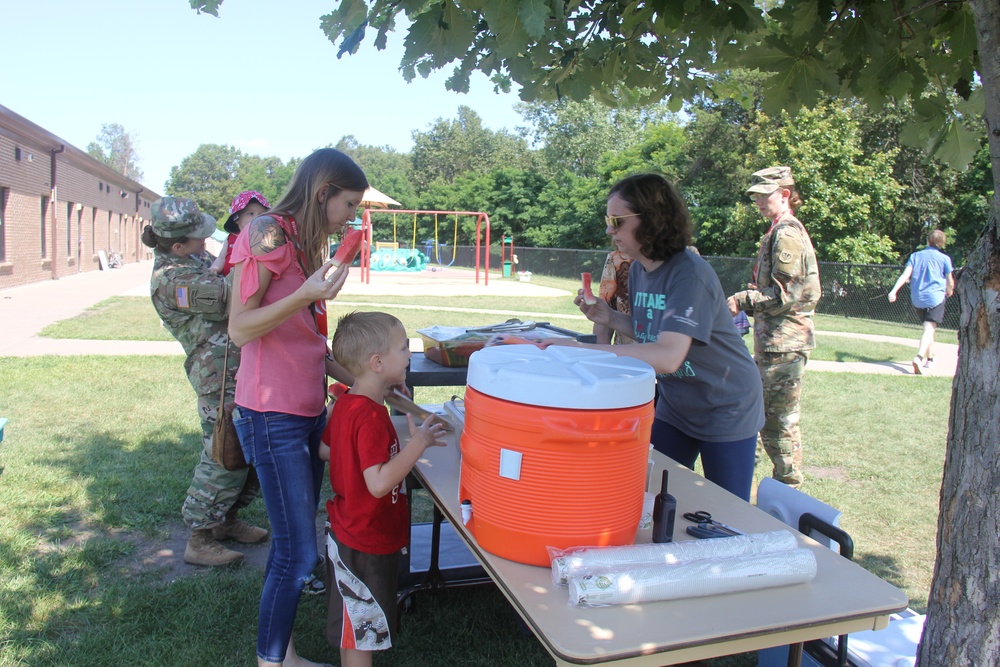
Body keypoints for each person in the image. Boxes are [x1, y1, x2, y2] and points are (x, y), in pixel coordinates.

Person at [539, 174, 764, 502]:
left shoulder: (690, 273)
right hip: (677, 405)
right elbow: (654, 333)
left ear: (652, 220)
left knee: (727, 511)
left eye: (617, 221)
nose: (609, 230)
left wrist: (581, 352)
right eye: (608, 220)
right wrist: (610, 317)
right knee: (646, 494)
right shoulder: (639, 270)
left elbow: (668, 356)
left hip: (726, 405)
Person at [228, 148, 365, 667]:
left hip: (307, 411)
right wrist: (305, 291)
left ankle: (280, 650)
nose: (350, 216)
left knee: (291, 543)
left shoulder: (308, 244)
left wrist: (370, 385)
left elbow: (308, 341)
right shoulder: (267, 231)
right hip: (271, 414)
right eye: (347, 203)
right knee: (300, 552)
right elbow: (241, 327)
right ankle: (271, 662)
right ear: (322, 190)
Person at [143, 196, 266, 567]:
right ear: (177, 245)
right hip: (217, 375)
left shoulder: (190, 259)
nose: (206, 242)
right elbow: (234, 296)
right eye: (198, 238)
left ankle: (225, 521)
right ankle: (199, 537)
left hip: (237, 367)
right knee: (223, 453)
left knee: (246, 451)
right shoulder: (173, 280)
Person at [321, 311, 448, 667]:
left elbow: (324, 450)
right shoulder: (372, 417)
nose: (410, 354)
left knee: (354, 626)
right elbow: (377, 483)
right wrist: (417, 444)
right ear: (377, 362)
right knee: (364, 631)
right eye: (404, 348)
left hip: (349, 533)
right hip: (365, 540)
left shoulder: (348, 403)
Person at [727, 166, 820, 489]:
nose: (758, 202)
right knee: (768, 418)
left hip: (784, 342)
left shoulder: (787, 233)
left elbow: (783, 294)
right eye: (755, 197)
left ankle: (789, 489)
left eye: (764, 196)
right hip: (775, 342)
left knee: (777, 422)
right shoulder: (777, 230)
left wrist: (741, 299)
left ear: (784, 194)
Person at [887, 229, 955, 374]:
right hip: (935, 298)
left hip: (917, 298)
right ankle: (919, 357)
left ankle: (930, 359)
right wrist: (950, 290)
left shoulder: (915, 256)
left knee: (929, 329)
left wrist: (894, 291)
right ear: (942, 243)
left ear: (927, 241)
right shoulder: (944, 259)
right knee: (929, 329)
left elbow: (905, 275)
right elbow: (950, 281)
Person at [211, 190, 270, 276]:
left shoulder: (265, 239)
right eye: (251, 213)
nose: (257, 218)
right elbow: (221, 259)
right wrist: (214, 269)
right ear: (237, 218)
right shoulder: (230, 238)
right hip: (227, 282)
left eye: (261, 214)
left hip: (249, 282)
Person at [594, 249, 635, 344]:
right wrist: (603, 356)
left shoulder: (674, 264)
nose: (609, 232)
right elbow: (603, 320)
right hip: (622, 355)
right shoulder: (616, 258)